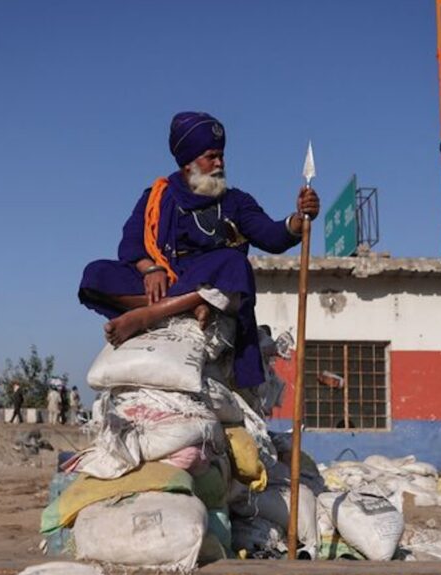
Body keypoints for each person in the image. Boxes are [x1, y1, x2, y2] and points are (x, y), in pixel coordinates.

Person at [78, 111, 320, 391]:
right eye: (211, 156)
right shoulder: (156, 197)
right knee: (94, 274)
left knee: (234, 265)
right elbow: (130, 245)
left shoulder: (236, 202)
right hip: (166, 282)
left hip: (208, 280)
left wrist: (298, 219)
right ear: (188, 163)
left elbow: (272, 236)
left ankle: (148, 316)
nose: (220, 163)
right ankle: (190, 306)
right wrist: (151, 268)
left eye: (222, 156)